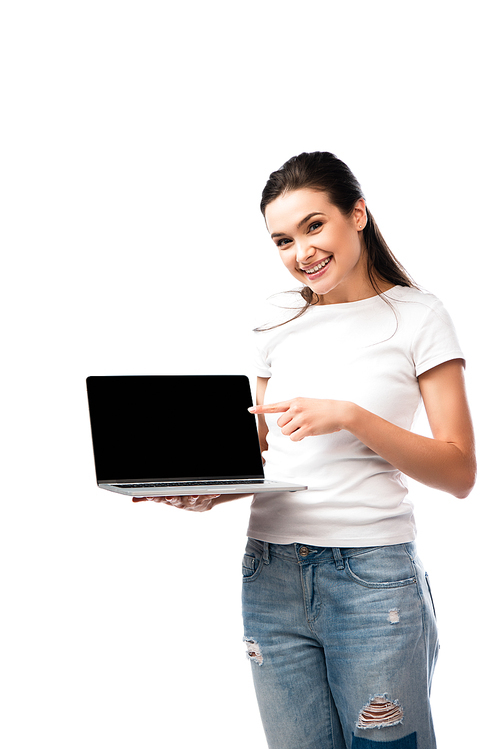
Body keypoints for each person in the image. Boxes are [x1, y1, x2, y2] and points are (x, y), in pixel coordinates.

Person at [135, 152, 476, 749]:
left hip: (371, 577)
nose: (301, 252)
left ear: (358, 214)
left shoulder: (419, 316)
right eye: (283, 240)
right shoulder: (275, 318)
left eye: (314, 226)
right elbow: (261, 456)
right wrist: (206, 494)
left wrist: (349, 416)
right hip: (270, 573)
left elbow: (459, 472)